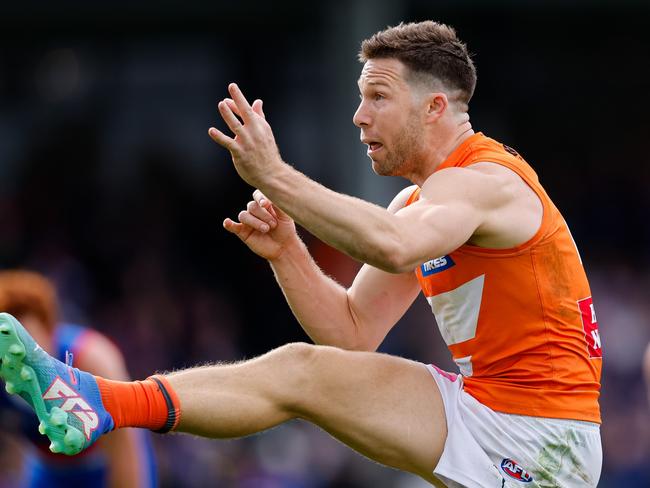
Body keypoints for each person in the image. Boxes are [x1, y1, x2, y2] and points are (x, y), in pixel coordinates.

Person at [0, 21, 602, 487]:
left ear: (434, 107)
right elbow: (352, 332)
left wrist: (276, 175)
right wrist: (288, 251)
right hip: (494, 411)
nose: (359, 115)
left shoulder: (484, 180)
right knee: (300, 368)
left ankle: (99, 402)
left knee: (298, 373)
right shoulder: (420, 202)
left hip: (542, 437)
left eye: (377, 96)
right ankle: (98, 402)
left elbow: (395, 247)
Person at [0, 270, 157, 488]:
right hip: (49, 471)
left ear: (49, 329)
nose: (22, 355)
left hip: (103, 464)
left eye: (30, 342)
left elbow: (124, 443)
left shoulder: (91, 358)